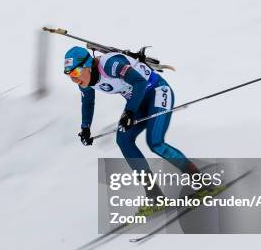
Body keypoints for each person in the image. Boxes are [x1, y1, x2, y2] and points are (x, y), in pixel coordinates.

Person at [63, 46, 198, 177]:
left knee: (155, 143)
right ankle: (154, 193)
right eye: (69, 74)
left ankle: (201, 180)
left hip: (157, 91)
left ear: (88, 66)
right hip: (137, 102)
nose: (73, 79)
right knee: (123, 140)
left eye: (75, 72)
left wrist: (129, 112)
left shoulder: (110, 65)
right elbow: (87, 102)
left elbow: (140, 82)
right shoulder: (85, 81)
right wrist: (85, 128)